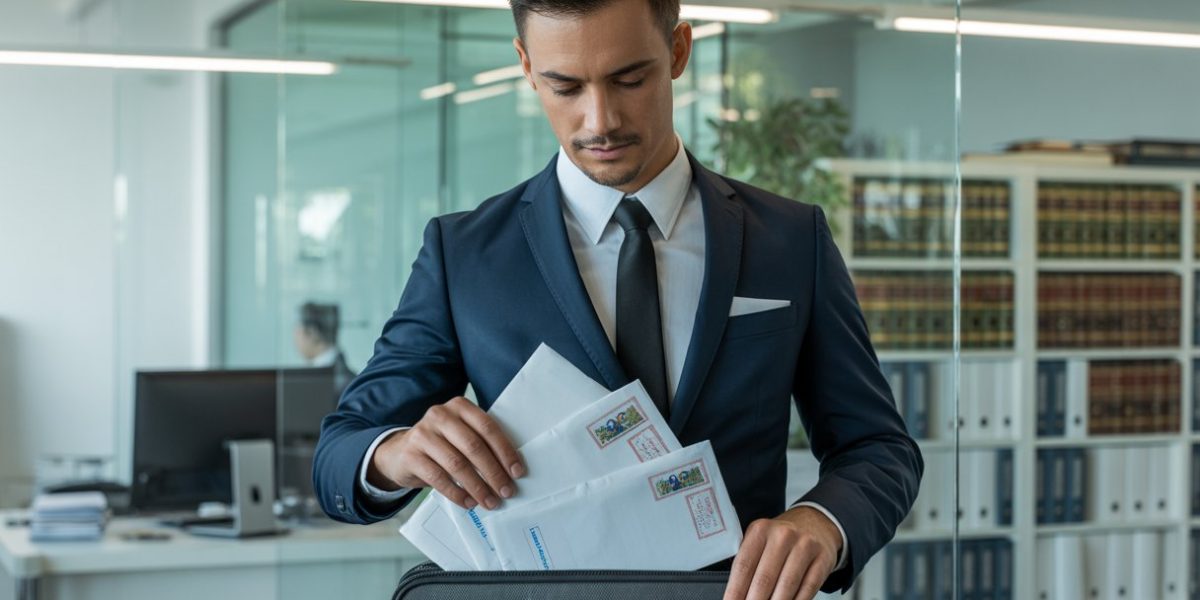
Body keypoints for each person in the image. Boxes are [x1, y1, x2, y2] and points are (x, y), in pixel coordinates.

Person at [313, 0, 922, 597]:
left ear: (678, 50)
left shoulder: (790, 240)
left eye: (629, 79)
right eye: (564, 86)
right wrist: (396, 454)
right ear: (526, 65)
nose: (599, 120)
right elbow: (341, 451)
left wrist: (822, 521)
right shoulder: (463, 254)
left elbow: (877, 447)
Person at [294, 301, 355, 390]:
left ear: (312, 333)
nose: (295, 337)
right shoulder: (343, 377)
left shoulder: (342, 381)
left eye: (297, 330)